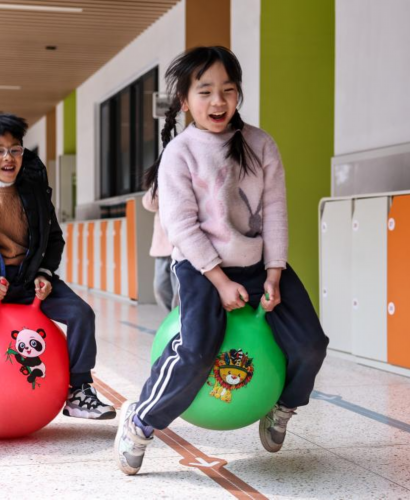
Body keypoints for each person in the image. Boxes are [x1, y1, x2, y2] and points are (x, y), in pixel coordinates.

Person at [114, 47, 329, 475]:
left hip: (257, 264)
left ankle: (283, 406)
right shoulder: (180, 152)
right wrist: (219, 280)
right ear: (185, 100)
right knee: (196, 351)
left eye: (228, 90)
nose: (218, 102)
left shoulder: (261, 144)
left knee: (311, 343)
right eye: (205, 91)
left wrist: (274, 272)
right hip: (200, 267)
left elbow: (275, 211)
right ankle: (140, 421)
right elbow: (181, 225)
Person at [0, 111, 115, 421]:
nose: (9, 158)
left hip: (28, 278)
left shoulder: (34, 193)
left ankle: (79, 391)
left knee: (81, 313)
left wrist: (44, 273)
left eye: (15, 149)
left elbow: (54, 238)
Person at [141, 189, 178, 312]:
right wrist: (159, 183)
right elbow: (148, 203)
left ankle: (179, 320)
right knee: (160, 288)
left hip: (182, 247)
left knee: (179, 293)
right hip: (162, 248)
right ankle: (171, 318)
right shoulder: (160, 181)